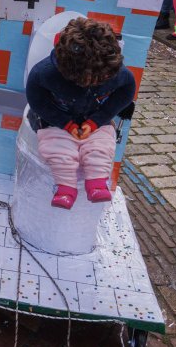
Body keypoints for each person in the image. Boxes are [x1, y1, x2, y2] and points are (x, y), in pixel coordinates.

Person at [25, 18, 136, 209]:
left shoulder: (114, 72)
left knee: (102, 146)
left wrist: (97, 121)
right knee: (57, 150)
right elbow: (36, 100)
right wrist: (64, 123)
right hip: (56, 120)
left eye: (99, 79)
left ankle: (97, 182)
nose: (92, 83)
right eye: (86, 79)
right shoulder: (46, 73)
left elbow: (127, 91)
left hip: (94, 119)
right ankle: (66, 188)